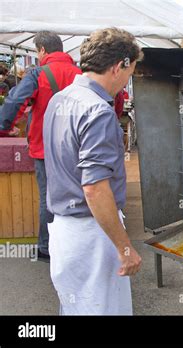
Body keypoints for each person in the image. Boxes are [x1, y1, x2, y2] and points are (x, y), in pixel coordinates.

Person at [43, 28, 143, 315]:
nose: (128, 80)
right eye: (130, 71)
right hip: (92, 235)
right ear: (117, 67)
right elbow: (95, 188)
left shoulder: (60, 100)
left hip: (64, 231)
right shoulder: (97, 111)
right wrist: (125, 248)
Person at [0, 32, 82, 261]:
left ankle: (46, 248)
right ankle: (74, 245)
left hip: (45, 148)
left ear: (42, 50)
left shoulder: (38, 73)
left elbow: (14, 101)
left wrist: (4, 127)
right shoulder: (80, 74)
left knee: (49, 198)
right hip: (75, 148)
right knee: (77, 195)